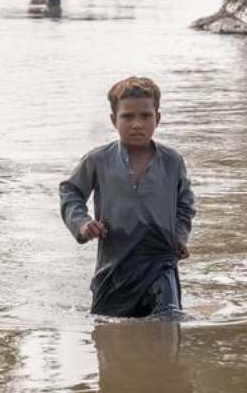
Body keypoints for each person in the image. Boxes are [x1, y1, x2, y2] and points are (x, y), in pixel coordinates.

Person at [60, 76, 195, 318]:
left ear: (158, 118)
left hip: (160, 261)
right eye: (128, 116)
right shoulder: (98, 160)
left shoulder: (172, 161)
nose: (137, 124)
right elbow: (71, 191)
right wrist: (82, 223)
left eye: (145, 116)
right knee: (107, 327)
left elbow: (185, 203)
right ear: (114, 120)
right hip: (114, 266)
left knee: (169, 317)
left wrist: (180, 236)